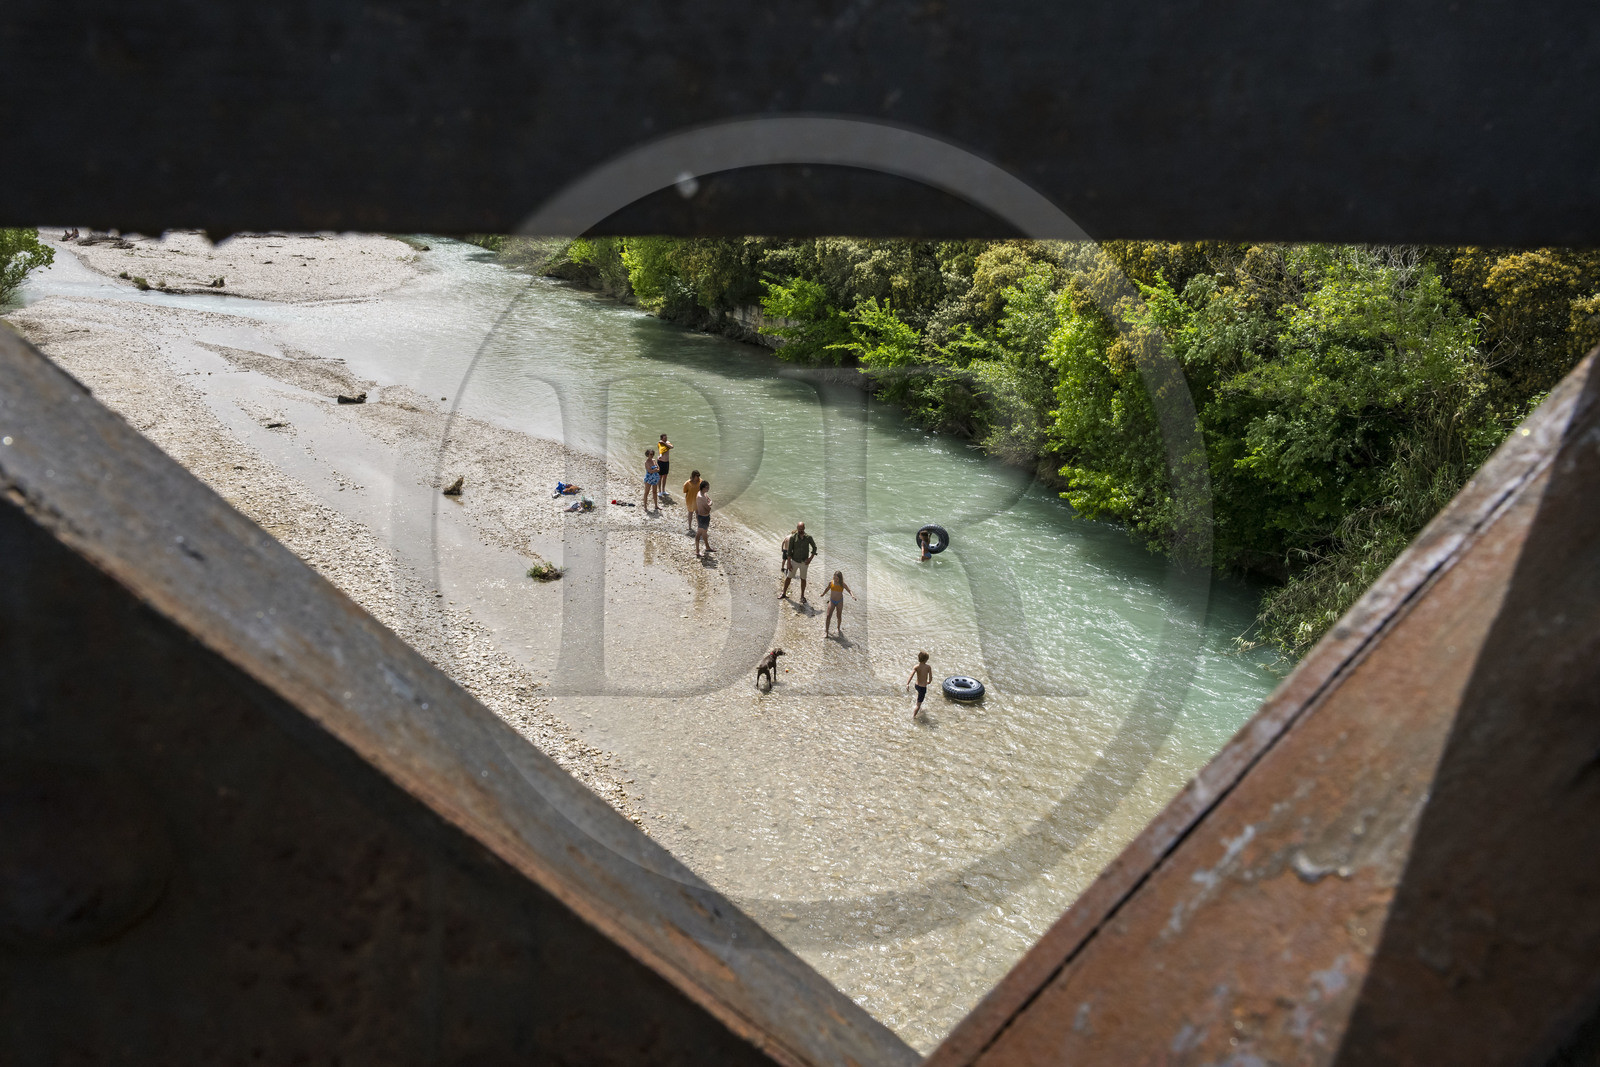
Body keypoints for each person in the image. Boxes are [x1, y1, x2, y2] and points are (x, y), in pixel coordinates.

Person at [779, 521, 818, 601]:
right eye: (799, 528)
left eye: (802, 528)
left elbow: (814, 548)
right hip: (795, 561)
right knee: (788, 577)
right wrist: (789, 563)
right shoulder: (793, 537)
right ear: (797, 528)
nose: (800, 530)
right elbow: (789, 551)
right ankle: (783, 593)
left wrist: (810, 558)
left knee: (803, 579)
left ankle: (802, 596)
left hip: (804, 562)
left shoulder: (808, 537)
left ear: (804, 528)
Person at [823, 570, 855, 637]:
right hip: (832, 601)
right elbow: (827, 589)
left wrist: (852, 596)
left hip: (839, 601)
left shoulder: (842, 584)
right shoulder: (831, 583)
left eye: (837, 578)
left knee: (838, 616)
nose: (836, 580)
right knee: (828, 616)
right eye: (835, 578)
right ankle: (826, 631)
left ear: (840, 578)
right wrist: (823, 594)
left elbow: (849, 590)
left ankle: (838, 628)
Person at [905, 651, 934, 719]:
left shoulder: (916, 666)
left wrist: (907, 684)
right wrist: (929, 682)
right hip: (923, 687)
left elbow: (911, 675)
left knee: (919, 697)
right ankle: (913, 716)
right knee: (919, 704)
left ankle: (918, 706)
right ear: (926, 659)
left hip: (917, 685)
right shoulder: (928, 667)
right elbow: (930, 677)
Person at [694, 481, 713, 557]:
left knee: (704, 532)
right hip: (702, 517)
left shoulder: (703, 494)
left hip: (704, 516)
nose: (708, 488)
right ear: (703, 487)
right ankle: (697, 551)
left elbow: (709, 500)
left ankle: (707, 547)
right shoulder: (701, 497)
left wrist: (709, 502)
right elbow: (708, 508)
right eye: (707, 487)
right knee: (699, 533)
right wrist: (710, 503)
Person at [682, 469, 702, 535]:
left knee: (698, 513)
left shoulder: (701, 481)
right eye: (697, 476)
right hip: (690, 500)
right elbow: (685, 491)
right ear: (693, 476)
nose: (698, 477)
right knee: (690, 513)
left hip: (697, 500)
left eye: (699, 476)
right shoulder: (687, 483)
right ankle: (689, 527)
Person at [655, 434, 673, 502]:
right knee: (660, 477)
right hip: (661, 462)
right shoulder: (660, 443)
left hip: (666, 462)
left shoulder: (667, 443)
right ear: (661, 438)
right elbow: (661, 451)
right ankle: (659, 491)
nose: (666, 439)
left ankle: (663, 490)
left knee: (665, 476)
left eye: (666, 438)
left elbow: (671, 447)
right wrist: (660, 456)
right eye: (664, 438)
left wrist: (665, 443)